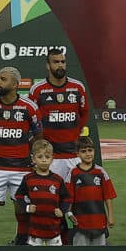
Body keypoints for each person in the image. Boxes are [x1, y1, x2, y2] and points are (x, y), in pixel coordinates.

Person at [0, 64, 39, 246]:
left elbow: (38, 137)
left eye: (3, 79)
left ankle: (21, 246)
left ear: (15, 84)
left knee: (24, 213)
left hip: (22, 169)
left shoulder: (29, 107)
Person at [27, 46, 91, 178]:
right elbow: (31, 120)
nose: (60, 65)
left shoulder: (78, 87)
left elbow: (84, 113)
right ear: (48, 65)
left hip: (74, 155)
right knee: (52, 191)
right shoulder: (37, 90)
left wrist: (76, 133)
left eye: (63, 62)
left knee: (78, 191)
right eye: (56, 62)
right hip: (51, 156)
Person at [67, 138, 117, 250]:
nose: (87, 154)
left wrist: (111, 215)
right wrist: (69, 213)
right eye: (83, 151)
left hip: (99, 221)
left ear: (94, 151)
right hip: (80, 223)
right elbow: (69, 196)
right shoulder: (73, 173)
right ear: (77, 154)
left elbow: (108, 196)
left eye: (90, 150)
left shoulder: (101, 172)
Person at [14, 139, 66, 245]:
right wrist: (27, 207)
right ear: (33, 159)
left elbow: (67, 198)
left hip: (54, 228)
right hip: (35, 229)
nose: (44, 160)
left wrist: (62, 210)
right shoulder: (28, 179)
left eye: (47, 157)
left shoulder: (58, 180)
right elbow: (18, 196)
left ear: (52, 159)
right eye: (40, 157)